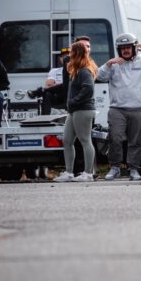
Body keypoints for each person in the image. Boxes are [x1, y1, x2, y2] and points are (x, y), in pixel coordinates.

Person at [97, 32, 141, 181]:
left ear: (134, 48)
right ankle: (115, 168)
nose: (125, 51)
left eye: (128, 47)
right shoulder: (114, 64)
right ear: (118, 50)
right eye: (122, 48)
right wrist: (108, 64)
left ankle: (134, 169)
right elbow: (100, 76)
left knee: (136, 141)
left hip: (139, 109)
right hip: (117, 109)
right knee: (115, 138)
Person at [54, 40, 98, 183]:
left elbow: (88, 89)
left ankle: (88, 173)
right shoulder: (76, 69)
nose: (68, 55)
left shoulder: (84, 70)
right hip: (74, 111)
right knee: (67, 140)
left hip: (83, 110)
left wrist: (74, 101)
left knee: (85, 140)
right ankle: (69, 172)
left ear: (77, 53)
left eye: (71, 52)